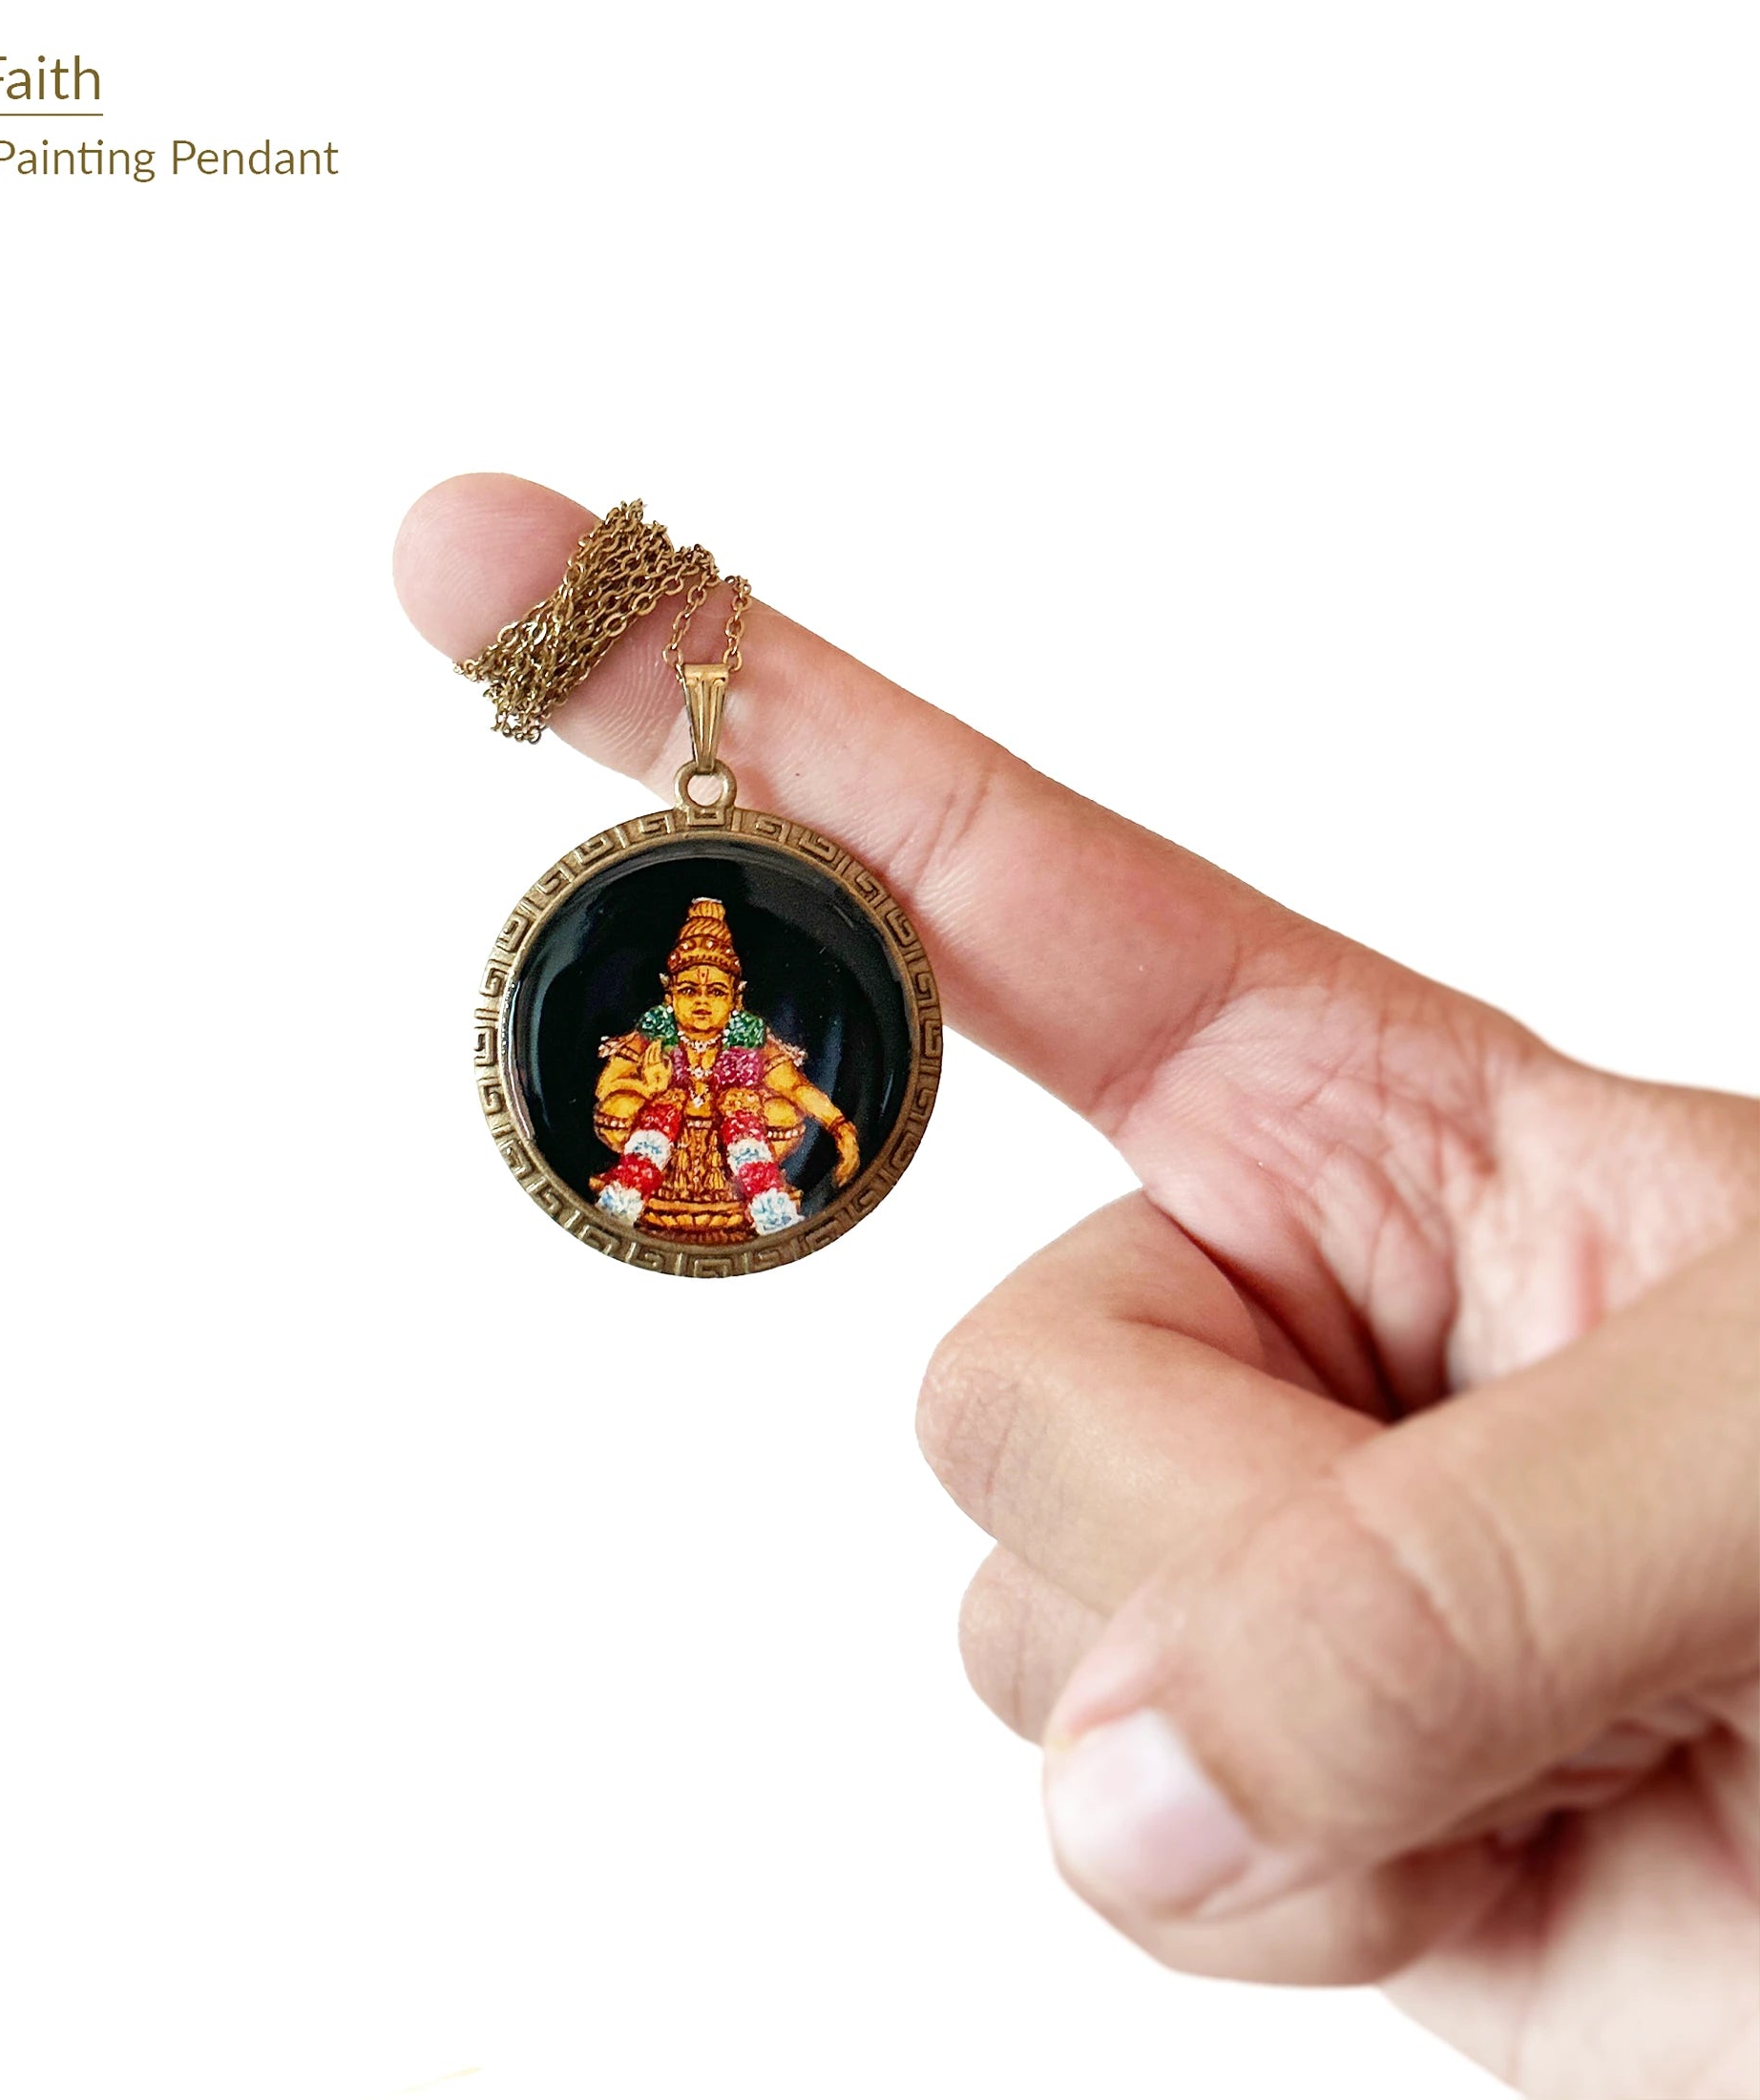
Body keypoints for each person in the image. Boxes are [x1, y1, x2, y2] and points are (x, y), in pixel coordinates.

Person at [396, 473, 1760, 2099]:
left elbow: (805, 1115)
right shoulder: (642, 1052)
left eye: (716, 978)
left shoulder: (767, 1051)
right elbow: (638, 1109)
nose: (701, 993)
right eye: (688, 982)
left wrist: (771, 1115)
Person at [593, 895, 861, 1241]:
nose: (702, 1001)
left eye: (716, 991)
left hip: (739, 1147)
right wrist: (649, 1087)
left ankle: (760, 1199)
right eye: (689, 989)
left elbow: (795, 1087)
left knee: (781, 1112)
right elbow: (606, 1088)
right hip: (658, 1148)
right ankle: (633, 1191)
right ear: (669, 993)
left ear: (736, 997)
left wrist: (839, 1127)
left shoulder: (748, 1037)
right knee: (619, 1107)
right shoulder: (654, 1033)